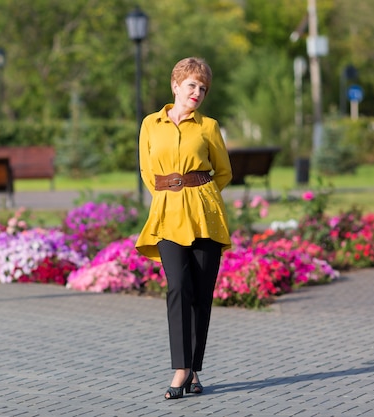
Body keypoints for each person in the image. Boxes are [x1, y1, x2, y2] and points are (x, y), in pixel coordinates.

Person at [134, 57, 232, 400]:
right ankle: (181, 368)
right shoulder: (150, 124)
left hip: (204, 215)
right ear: (175, 85)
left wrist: (202, 198)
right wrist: (168, 199)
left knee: (201, 294)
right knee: (178, 287)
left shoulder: (208, 126)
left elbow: (223, 172)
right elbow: (147, 171)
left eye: (203, 87)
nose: (198, 92)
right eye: (192, 85)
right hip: (167, 215)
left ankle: (193, 371)